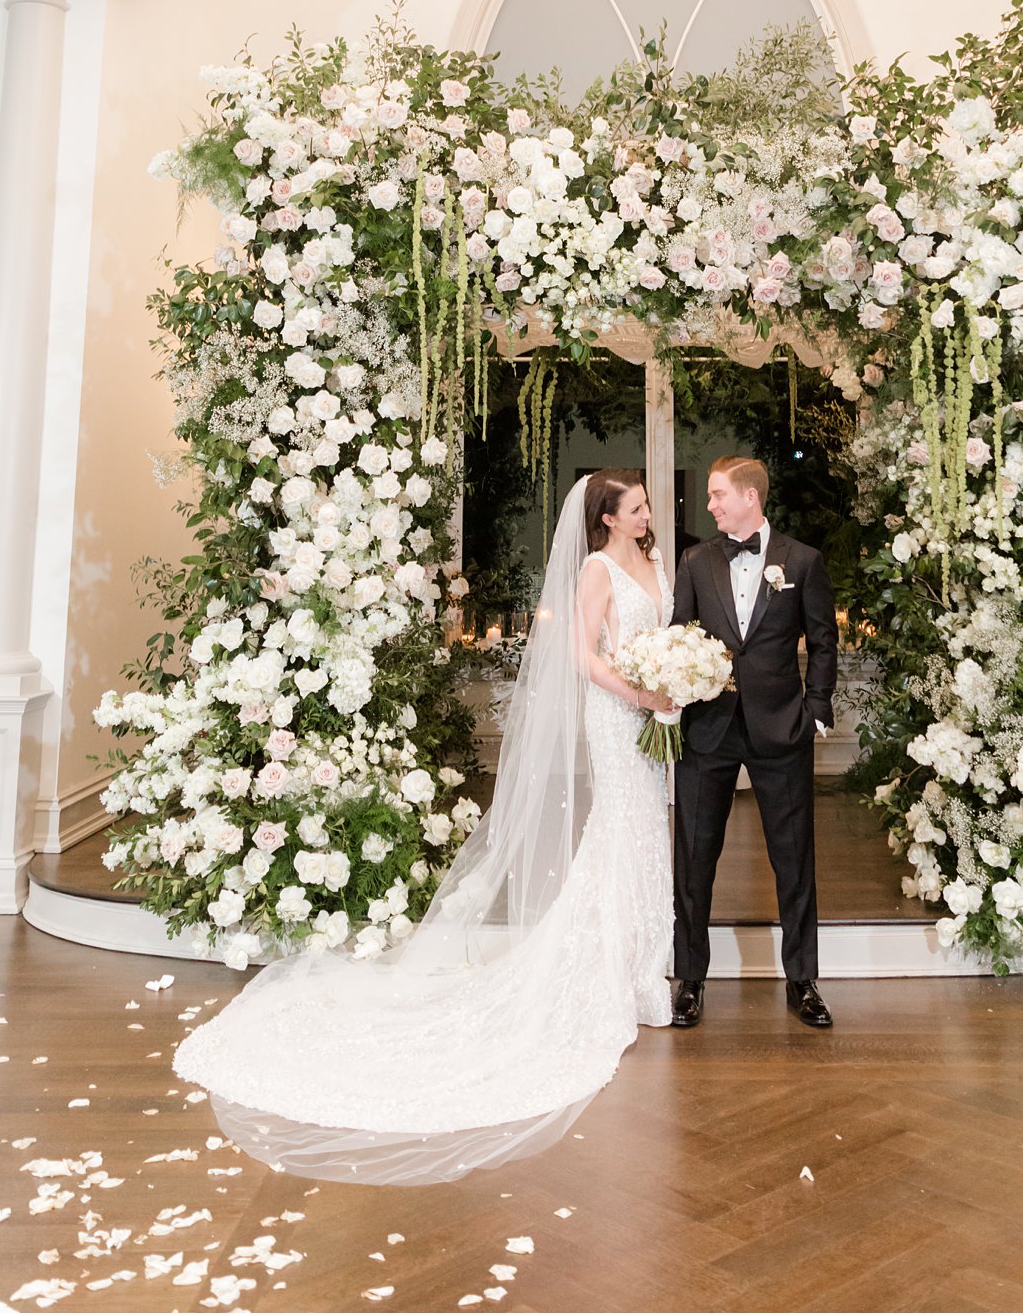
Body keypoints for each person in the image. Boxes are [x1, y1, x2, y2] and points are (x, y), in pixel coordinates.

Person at [172, 470, 675, 1184]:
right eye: (639, 506)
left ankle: (644, 967)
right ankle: (614, 977)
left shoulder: (654, 563)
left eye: (647, 504)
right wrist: (636, 689)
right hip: (619, 710)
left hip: (656, 714)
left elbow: (662, 636)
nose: (650, 512)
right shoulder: (596, 568)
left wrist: (674, 684)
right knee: (620, 829)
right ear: (609, 518)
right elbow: (581, 652)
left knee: (647, 832)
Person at [670, 454, 838, 1030]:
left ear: (750, 497)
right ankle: (689, 978)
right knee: (694, 858)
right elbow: (679, 637)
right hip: (708, 729)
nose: (710, 505)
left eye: (718, 495)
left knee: (794, 859)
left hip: (780, 727)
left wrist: (815, 710)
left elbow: (823, 641)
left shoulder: (804, 561)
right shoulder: (695, 561)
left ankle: (803, 981)